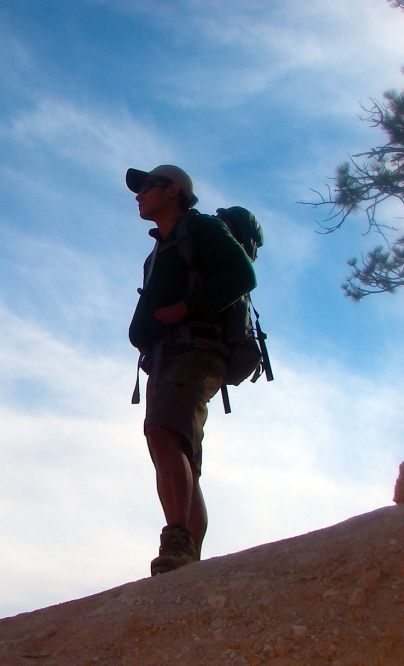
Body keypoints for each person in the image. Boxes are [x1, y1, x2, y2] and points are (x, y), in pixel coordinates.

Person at [126, 165, 256, 576]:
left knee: (165, 432)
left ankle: (178, 538)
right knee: (178, 449)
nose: (139, 194)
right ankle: (188, 558)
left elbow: (242, 275)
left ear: (175, 190)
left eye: (147, 186)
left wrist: (185, 309)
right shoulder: (161, 248)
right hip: (167, 357)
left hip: (195, 349)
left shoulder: (200, 229)